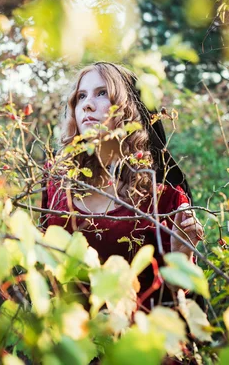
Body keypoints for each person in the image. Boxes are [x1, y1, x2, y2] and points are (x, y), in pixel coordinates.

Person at [40, 62, 204, 308]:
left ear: (129, 109)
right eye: (80, 96)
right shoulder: (56, 182)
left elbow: (176, 297)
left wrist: (183, 254)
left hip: (139, 339)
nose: (87, 104)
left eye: (102, 93)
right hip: (69, 338)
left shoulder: (165, 198)